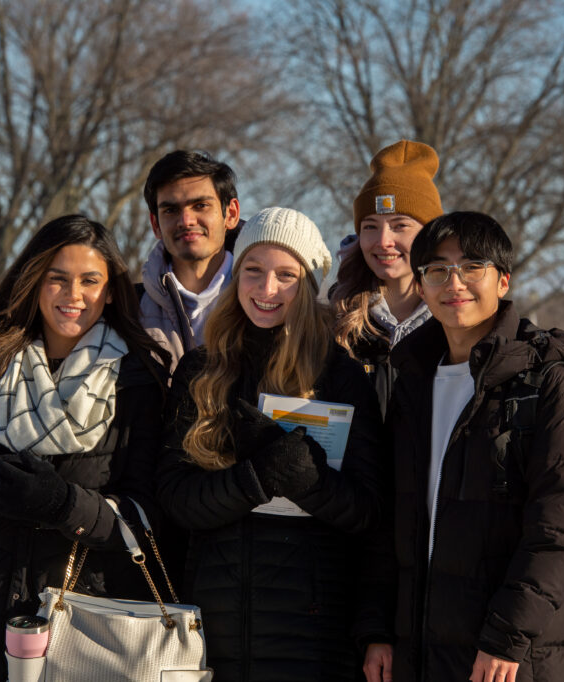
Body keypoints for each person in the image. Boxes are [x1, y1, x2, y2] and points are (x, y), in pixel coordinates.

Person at [0, 215, 170, 682]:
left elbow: (147, 515)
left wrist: (63, 504)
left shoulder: (137, 378)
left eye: (90, 281)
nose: (73, 295)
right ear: (33, 282)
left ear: (109, 292)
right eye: (57, 279)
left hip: (91, 611)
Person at [372, 211, 564, 682]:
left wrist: (506, 636)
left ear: (502, 281)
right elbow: (389, 522)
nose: (454, 283)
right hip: (418, 655)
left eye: (471, 267)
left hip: (515, 660)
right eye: (437, 270)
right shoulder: (412, 385)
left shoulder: (552, 385)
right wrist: (378, 629)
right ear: (420, 287)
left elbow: (562, 529)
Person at [156, 207, 388, 681]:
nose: (266, 290)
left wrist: (311, 481)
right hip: (209, 632)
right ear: (236, 274)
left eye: (286, 275)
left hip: (312, 636)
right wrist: (253, 480)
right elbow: (175, 499)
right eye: (253, 271)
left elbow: (369, 512)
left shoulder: (339, 375)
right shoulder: (201, 371)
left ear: (307, 285)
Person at [330, 140, 443, 416]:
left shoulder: (456, 320)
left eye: (399, 226)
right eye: (371, 226)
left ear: (429, 234)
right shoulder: (336, 316)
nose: (383, 241)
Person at [140, 149, 241, 370]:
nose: (186, 220)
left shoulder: (267, 304)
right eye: (171, 210)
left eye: (200, 206)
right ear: (155, 224)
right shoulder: (129, 313)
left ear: (231, 214)